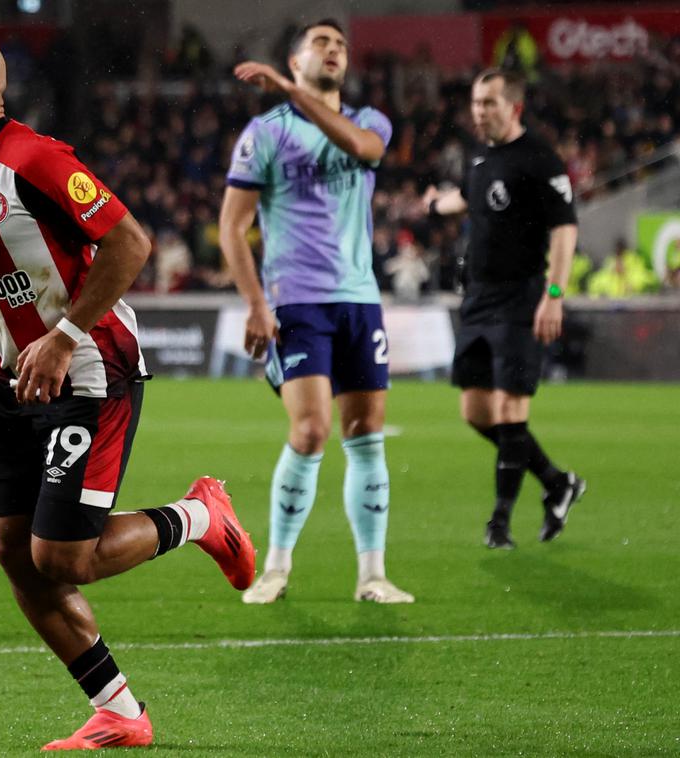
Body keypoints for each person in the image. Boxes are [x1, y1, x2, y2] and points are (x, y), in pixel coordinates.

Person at [0, 34, 255, 751]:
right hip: (11, 379)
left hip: (89, 368)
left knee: (63, 560)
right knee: (14, 552)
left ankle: (199, 515)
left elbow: (130, 242)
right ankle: (121, 713)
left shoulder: (35, 159)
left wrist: (66, 333)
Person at [220, 19, 414, 605]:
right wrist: (256, 303)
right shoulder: (265, 133)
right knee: (310, 431)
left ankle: (372, 575)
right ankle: (276, 567)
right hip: (297, 300)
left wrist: (289, 89)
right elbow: (233, 226)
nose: (334, 51)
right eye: (321, 44)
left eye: (341, 46)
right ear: (296, 57)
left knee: (366, 433)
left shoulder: (367, 121)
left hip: (360, 299)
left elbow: (364, 151)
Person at [423, 68, 585, 548]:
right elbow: (469, 200)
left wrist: (553, 295)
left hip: (521, 298)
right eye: (476, 102)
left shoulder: (540, 159)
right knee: (476, 412)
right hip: (478, 300)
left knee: (511, 411)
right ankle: (558, 482)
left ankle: (499, 524)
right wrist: (433, 206)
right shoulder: (482, 160)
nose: (479, 111)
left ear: (514, 107)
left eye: (489, 103)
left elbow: (565, 228)